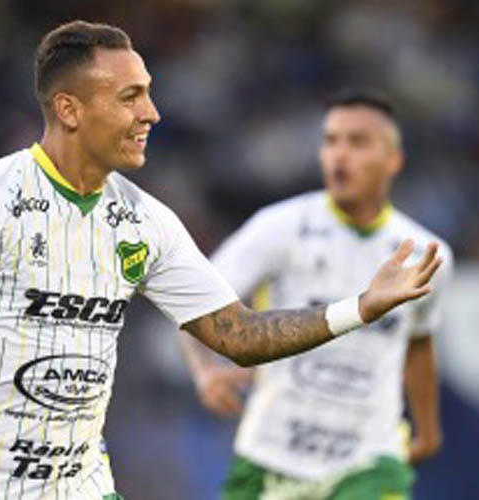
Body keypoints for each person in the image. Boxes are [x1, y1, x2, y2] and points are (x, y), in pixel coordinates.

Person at [0, 21, 441, 500]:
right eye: (130, 96)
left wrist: (359, 308)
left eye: (149, 92)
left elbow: (238, 335)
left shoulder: (145, 222)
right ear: (70, 109)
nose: (152, 113)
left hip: (83, 489)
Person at [178, 90, 454, 500]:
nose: (340, 154)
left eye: (358, 142)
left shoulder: (428, 255)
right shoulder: (280, 227)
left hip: (369, 459)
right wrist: (204, 371)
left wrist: (428, 431)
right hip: (271, 452)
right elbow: (194, 298)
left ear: (393, 160)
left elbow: (418, 341)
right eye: (330, 140)